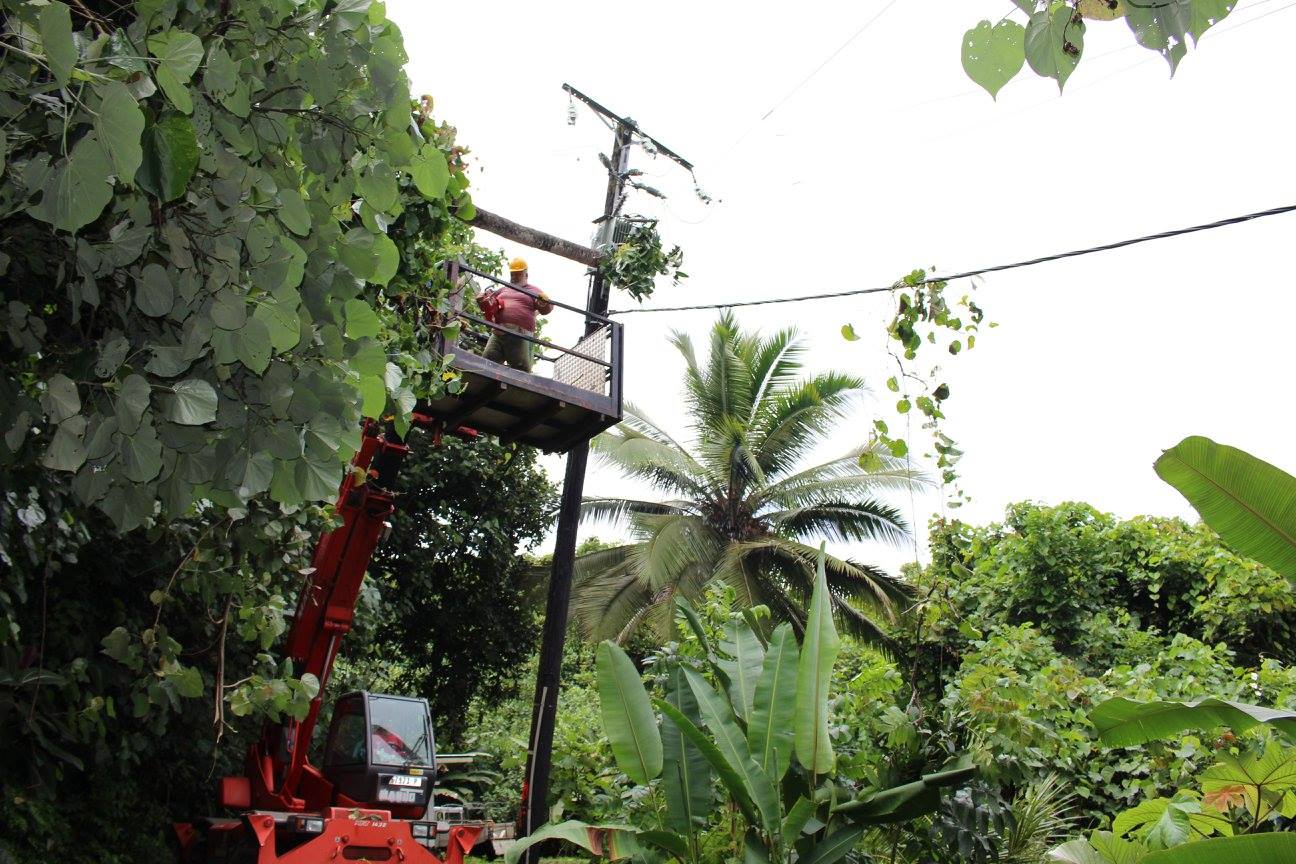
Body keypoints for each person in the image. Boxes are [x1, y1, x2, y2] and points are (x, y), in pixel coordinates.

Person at [482, 257, 553, 372]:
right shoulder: (504, 289)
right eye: (513, 274)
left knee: (520, 369)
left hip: (519, 333)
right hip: (499, 331)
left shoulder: (533, 290)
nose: (514, 277)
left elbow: (547, 309)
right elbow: (489, 303)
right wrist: (484, 299)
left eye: (518, 274)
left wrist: (544, 303)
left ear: (526, 275)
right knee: (487, 363)